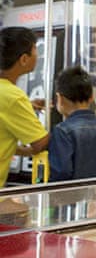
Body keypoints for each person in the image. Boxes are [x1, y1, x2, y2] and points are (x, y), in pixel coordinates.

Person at [47, 66, 96, 181]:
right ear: (91, 98)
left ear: (60, 98)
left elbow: (60, 175)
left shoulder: (62, 131)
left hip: (74, 193)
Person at [0, 27, 49, 187]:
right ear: (24, 59)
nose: (37, 55)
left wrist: (27, 105)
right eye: (35, 49)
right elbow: (40, 143)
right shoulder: (13, 97)